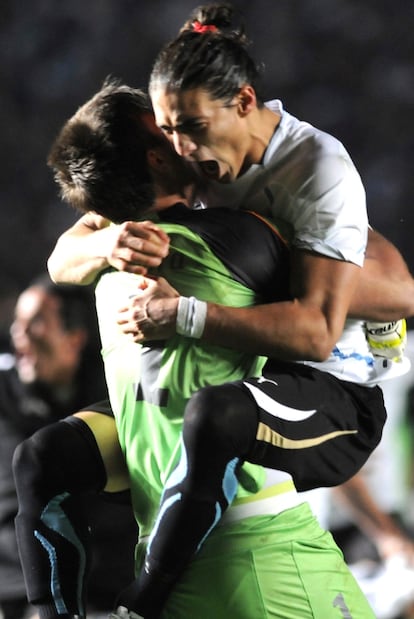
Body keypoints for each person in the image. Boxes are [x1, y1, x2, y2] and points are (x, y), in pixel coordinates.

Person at [39, 80, 378, 618]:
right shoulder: (242, 238)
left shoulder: (104, 269)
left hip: (163, 554)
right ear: (157, 154)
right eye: (168, 127)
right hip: (267, 559)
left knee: (43, 453)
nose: (185, 133)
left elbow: (60, 260)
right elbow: (385, 295)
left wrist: (106, 240)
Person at [0, 275, 137, 619]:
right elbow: (17, 499)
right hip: (21, 583)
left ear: (74, 338)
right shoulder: (4, 392)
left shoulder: (111, 391)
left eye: (37, 323)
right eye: (18, 322)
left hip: (110, 583)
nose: (19, 332)